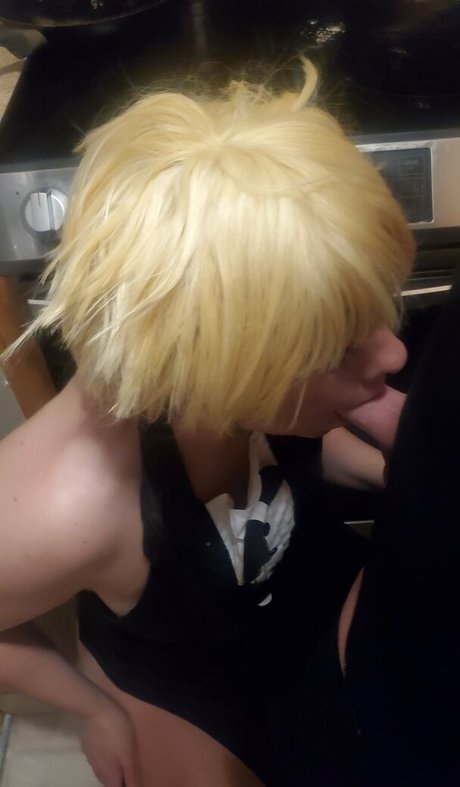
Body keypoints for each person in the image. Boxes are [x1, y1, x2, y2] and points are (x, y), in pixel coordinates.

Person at [0, 60, 414, 787]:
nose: (394, 353)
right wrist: (91, 707)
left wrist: (392, 468)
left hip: (301, 606)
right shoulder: (69, 503)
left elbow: (287, 449)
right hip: (192, 681)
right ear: (219, 378)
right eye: (336, 348)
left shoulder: (232, 378)